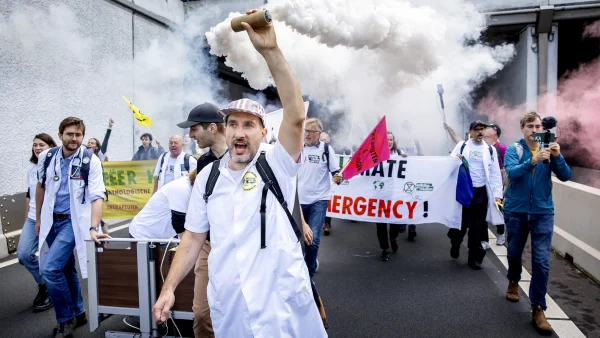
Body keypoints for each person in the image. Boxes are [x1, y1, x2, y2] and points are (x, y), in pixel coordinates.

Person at [153, 12, 327, 337]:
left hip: (280, 303)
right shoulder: (208, 179)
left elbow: (295, 114)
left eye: (248, 124)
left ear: (262, 132)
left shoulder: (277, 162)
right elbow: (192, 238)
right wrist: (169, 287)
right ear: (225, 130)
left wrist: (270, 51)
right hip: (230, 303)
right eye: (233, 123)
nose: (239, 131)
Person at [36, 117, 106, 337]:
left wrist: (94, 227)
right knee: (66, 269)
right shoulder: (47, 157)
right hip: (51, 221)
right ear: (60, 135)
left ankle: (65, 319)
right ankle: (80, 311)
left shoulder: (90, 160)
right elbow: (41, 187)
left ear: (82, 137)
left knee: (50, 268)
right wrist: (38, 219)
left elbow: (97, 196)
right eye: (70, 134)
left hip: (73, 222)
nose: (74, 138)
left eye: (78, 135)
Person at [503, 112, 571, 335]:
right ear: (522, 128)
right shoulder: (515, 149)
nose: (534, 129)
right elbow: (511, 172)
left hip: (543, 212)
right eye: (530, 126)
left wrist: (558, 156)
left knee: (541, 261)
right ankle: (513, 278)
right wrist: (532, 161)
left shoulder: (550, 149)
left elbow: (566, 176)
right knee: (513, 253)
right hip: (516, 210)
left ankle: (538, 308)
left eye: (538, 126)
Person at [176, 102, 228, 338]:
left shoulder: (246, 156)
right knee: (201, 315)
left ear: (213, 128)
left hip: (240, 246)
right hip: (208, 245)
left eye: (194, 128)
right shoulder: (203, 163)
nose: (191, 134)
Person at [448, 120, 503, 270]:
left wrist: (498, 194)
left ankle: (475, 258)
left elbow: (495, 174)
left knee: (478, 226)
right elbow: (449, 165)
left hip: (481, 193)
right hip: (465, 190)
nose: (480, 132)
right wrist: (456, 160)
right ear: (471, 132)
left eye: (482, 129)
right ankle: (455, 242)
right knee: (461, 223)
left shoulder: (490, 150)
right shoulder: (462, 146)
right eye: (477, 129)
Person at [18, 133, 57, 313]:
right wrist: (27, 219)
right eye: (35, 145)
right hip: (34, 217)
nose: (38, 148)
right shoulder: (31, 168)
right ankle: (44, 285)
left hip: (51, 218)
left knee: (50, 260)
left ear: (51, 146)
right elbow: (29, 194)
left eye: (42, 145)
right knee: (24, 254)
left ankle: (55, 294)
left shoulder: (57, 165)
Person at [299, 117, 342, 275]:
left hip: (319, 199)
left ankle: (308, 273)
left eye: (311, 131)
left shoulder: (326, 149)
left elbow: (336, 174)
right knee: (298, 239)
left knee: (314, 239)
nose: (307, 134)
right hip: (298, 200)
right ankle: (306, 262)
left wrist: (338, 177)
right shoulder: (297, 147)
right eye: (306, 131)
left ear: (318, 133)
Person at [376, 132, 407, 261]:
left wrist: (406, 158)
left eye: (391, 139)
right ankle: (385, 249)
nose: (389, 141)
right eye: (387, 139)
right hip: (380, 193)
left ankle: (393, 237)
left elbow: (409, 167)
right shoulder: (376, 154)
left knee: (395, 220)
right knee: (380, 223)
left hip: (395, 193)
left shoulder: (399, 153)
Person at [484, 123, 508, 246]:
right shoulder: (483, 147)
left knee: (497, 208)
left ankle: (501, 233)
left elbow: (508, 166)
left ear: (494, 132)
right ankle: (484, 239)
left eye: (488, 128)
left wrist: (496, 172)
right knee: (482, 209)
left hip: (496, 184)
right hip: (483, 183)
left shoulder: (501, 148)